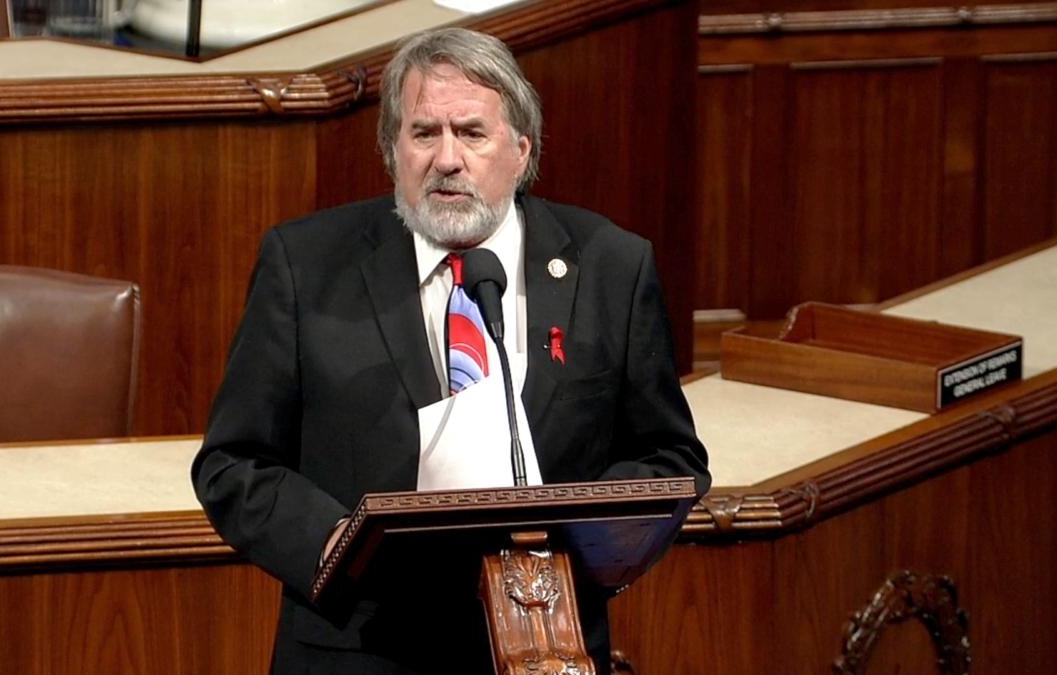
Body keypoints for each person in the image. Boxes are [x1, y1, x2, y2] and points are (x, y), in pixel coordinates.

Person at [192, 26, 710, 675]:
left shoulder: (610, 265)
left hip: (542, 643)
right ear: (391, 151)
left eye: (470, 132)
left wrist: (574, 536)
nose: (446, 158)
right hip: (362, 644)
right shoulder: (306, 265)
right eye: (423, 133)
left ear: (521, 150)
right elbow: (233, 462)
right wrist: (336, 542)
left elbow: (668, 458)